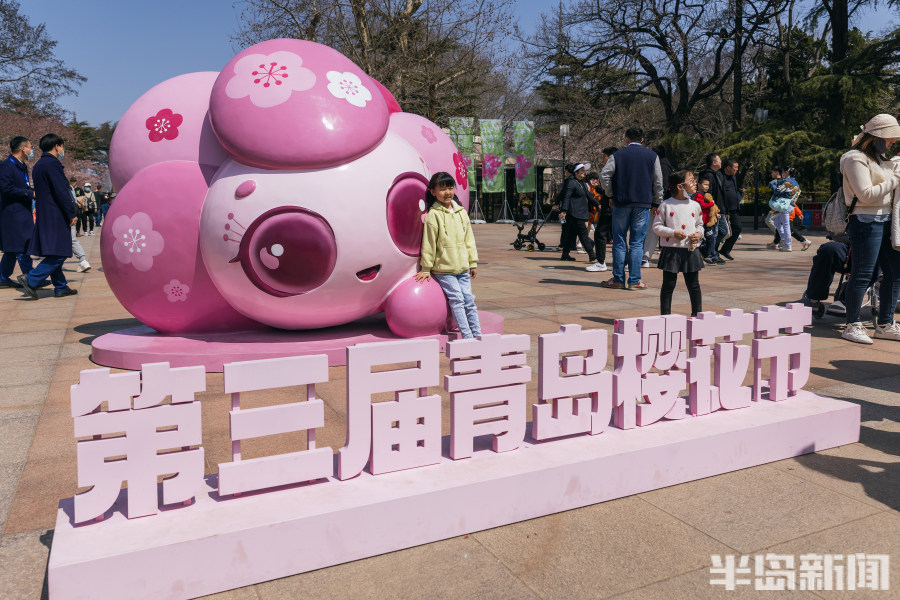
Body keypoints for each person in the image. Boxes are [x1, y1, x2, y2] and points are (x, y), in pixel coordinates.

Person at [839, 114, 900, 343]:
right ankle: (852, 324)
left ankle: (885, 324)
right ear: (876, 137)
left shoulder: (881, 160)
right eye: (890, 139)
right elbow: (865, 195)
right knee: (863, 274)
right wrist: (895, 178)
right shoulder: (854, 158)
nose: (892, 143)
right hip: (864, 221)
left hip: (887, 221)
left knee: (895, 273)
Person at [415, 171, 481, 338]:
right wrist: (426, 268)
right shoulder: (433, 215)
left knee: (469, 301)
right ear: (433, 191)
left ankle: (478, 335)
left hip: (462, 268)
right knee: (458, 300)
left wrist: (472, 262)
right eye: (442, 189)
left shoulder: (461, 212)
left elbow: (469, 239)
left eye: (450, 188)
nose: (447, 192)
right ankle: (467, 337)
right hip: (444, 269)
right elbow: (429, 243)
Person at [599, 126, 663, 290]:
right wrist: (657, 202)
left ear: (626, 139)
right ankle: (634, 280)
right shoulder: (652, 156)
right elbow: (658, 181)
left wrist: (610, 194)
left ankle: (618, 278)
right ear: (642, 139)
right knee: (637, 242)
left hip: (621, 202)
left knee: (619, 241)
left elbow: (604, 175)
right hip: (643, 204)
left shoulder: (617, 155)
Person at [17, 134, 78, 298]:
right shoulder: (52, 164)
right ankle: (31, 279)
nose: (62, 149)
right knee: (60, 252)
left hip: (45, 213)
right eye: (62, 146)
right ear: (57, 145)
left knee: (53, 251)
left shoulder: (38, 165)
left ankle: (61, 286)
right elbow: (61, 191)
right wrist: (71, 213)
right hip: (56, 214)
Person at [653, 170, 704, 316]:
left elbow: (700, 224)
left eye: (695, 180)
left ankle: (697, 315)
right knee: (668, 285)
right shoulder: (666, 205)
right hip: (671, 250)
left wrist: (698, 234)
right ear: (680, 186)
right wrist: (672, 233)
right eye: (692, 180)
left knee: (694, 285)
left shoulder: (695, 205)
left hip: (690, 250)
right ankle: (665, 316)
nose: (695, 183)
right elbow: (656, 226)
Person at [0, 136, 35, 288]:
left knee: (11, 249)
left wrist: (31, 191)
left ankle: (2, 277)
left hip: (23, 210)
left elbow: (24, 186)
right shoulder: (6, 166)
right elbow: (6, 189)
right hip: (12, 213)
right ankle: (32, 278)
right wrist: (29, 194)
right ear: (22, 148)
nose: (31, 150)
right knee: (23, 245)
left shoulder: (22, 166)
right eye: (30, 147)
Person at [559, 164, 597, 264]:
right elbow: (567, 197)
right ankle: (592, 255)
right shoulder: (572, 183)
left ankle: (565, 254)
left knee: (571, 234)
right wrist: (564, 210)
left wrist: (597, 204)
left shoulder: (582, 183)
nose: (584, 172)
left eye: (584, 170)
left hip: (579, 212)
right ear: (576, 173)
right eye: (582, 171)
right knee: (583, 234)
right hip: (574, 213)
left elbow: (589, 196)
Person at [642, 146, 674, 266]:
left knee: (652, 230)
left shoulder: (662, 166)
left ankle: (645, 257)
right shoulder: (667, 165)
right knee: (663, 230)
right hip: (665, 202)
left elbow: (661, 185)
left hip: (659, 203)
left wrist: (656, 202)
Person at [586, 149, 617, 272]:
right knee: (618, 235)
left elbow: (607, 187)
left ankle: (600, 262)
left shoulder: (610, 171)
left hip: (609, 208)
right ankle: (625, 262)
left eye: (604, 156)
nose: (603, 159)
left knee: (600, 234)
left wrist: (606, 193)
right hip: (616, 207)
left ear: (610, 157)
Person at [699, 153, 727, 264]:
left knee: (722, 231)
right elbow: (708, 195)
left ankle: (710, 251)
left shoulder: (716, 174)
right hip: (713, 209)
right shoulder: (708, 175)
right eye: (719, 160)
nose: (721, 162)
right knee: (716, 232)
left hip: (719, 208)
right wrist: (713, 210)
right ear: (714, 162)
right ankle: (711, 252)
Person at [768, 165, 800, 252]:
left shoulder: (786, 181)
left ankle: (788, 245)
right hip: (791, 206)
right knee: (777, 222)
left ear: (786, 172)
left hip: (785, 206)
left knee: (786, 226)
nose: (782, 174)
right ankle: (784, 240)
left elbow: (777, 191)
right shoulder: (796, 182)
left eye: (782, 172)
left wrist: (772, 185)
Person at [716, 158, 743, 260]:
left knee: (737, 228)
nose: (737, 170)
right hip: (722, 209)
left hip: (734, 208)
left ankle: (725, 250)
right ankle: (712, 251)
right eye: (735, 167)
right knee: (722, 231)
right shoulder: (719, 176)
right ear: (728, 168)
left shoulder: (733, 177)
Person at [694, 176, 720, 266]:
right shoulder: (698, 195)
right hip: (701, 222)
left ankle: (707, 255)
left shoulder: (705, 195)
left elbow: (711, 208)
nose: (707, 187)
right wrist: (711, 203)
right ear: (699, 184)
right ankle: (707, 256)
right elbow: (702, 206)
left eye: (708, 185)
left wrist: (716, 214)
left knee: (710, 238)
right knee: (710, 238)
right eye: (705, 184)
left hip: (706, 221)